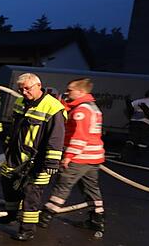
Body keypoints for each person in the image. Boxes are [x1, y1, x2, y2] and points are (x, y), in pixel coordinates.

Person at [0, 72, 65, 241]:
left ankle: (27, 230)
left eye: (27, 88)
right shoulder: (20, 102)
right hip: (15, 157)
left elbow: (56, 137)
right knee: (8, 185)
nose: (24, 92)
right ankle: (11, 215)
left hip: (36, 161)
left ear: (38, 86)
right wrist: (6, 146)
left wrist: (51, 162)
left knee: (31, 196)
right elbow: (14, 127)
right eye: (21, 89)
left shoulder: (53, 107)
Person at [39, 78, 105, 233]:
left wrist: (68, 156)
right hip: (93, 157)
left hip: (80, 157)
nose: (67, 92)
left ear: (81, 92)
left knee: (63, 185)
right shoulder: (92, 107)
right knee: (91, 189)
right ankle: (97, 220)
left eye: (70, 90)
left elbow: (79, 136)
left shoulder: (82, 111)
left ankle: (45, 217)